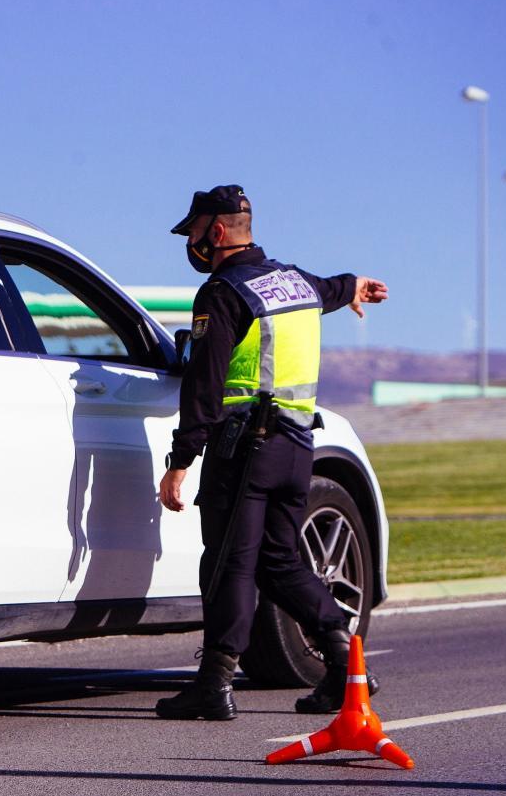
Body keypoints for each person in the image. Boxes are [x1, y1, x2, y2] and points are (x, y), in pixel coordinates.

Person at [154, 185, 388, 721]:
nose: (191, 243)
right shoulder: (295, 281)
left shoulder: (222, 293)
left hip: (245, 450)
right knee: (280, 560)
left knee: (230, 565)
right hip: (297, 448)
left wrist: (180, 461)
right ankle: (343, 665)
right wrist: (355, 285)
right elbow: (331, 289)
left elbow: (204, 386)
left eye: (193, 233)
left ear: (215, 233)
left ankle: (213, 685)